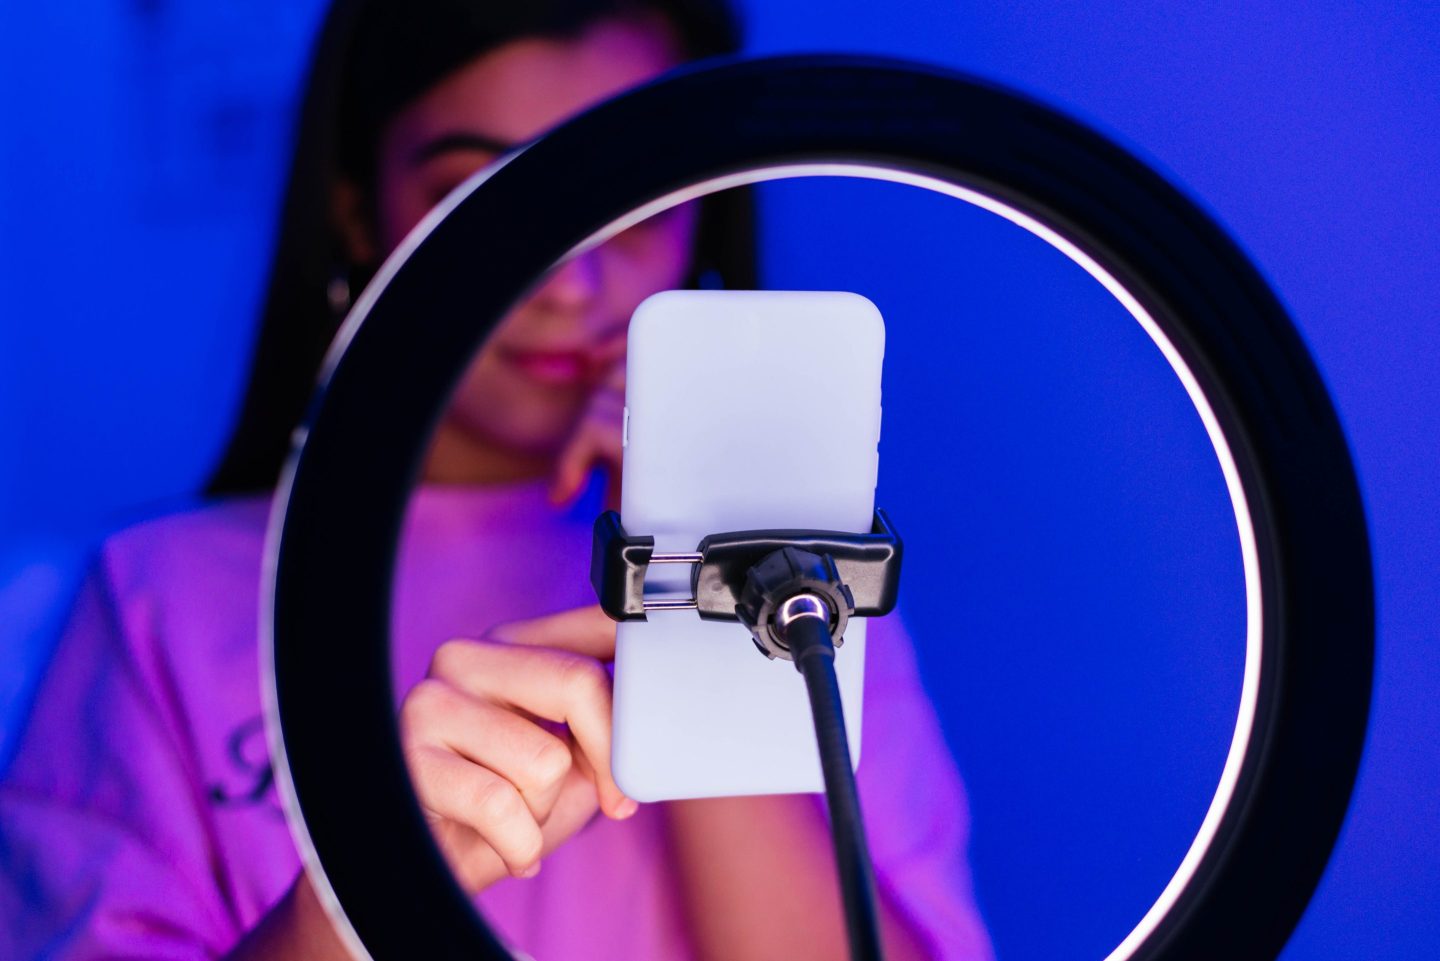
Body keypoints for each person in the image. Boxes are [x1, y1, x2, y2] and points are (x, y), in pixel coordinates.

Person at [0, 2, 993, 959]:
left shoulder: (808, 573)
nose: (570, 282)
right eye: (479, 197)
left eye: (635, 206)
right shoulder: (155, 600)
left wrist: (699, 576)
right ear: (356, 214)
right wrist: (361, 893)